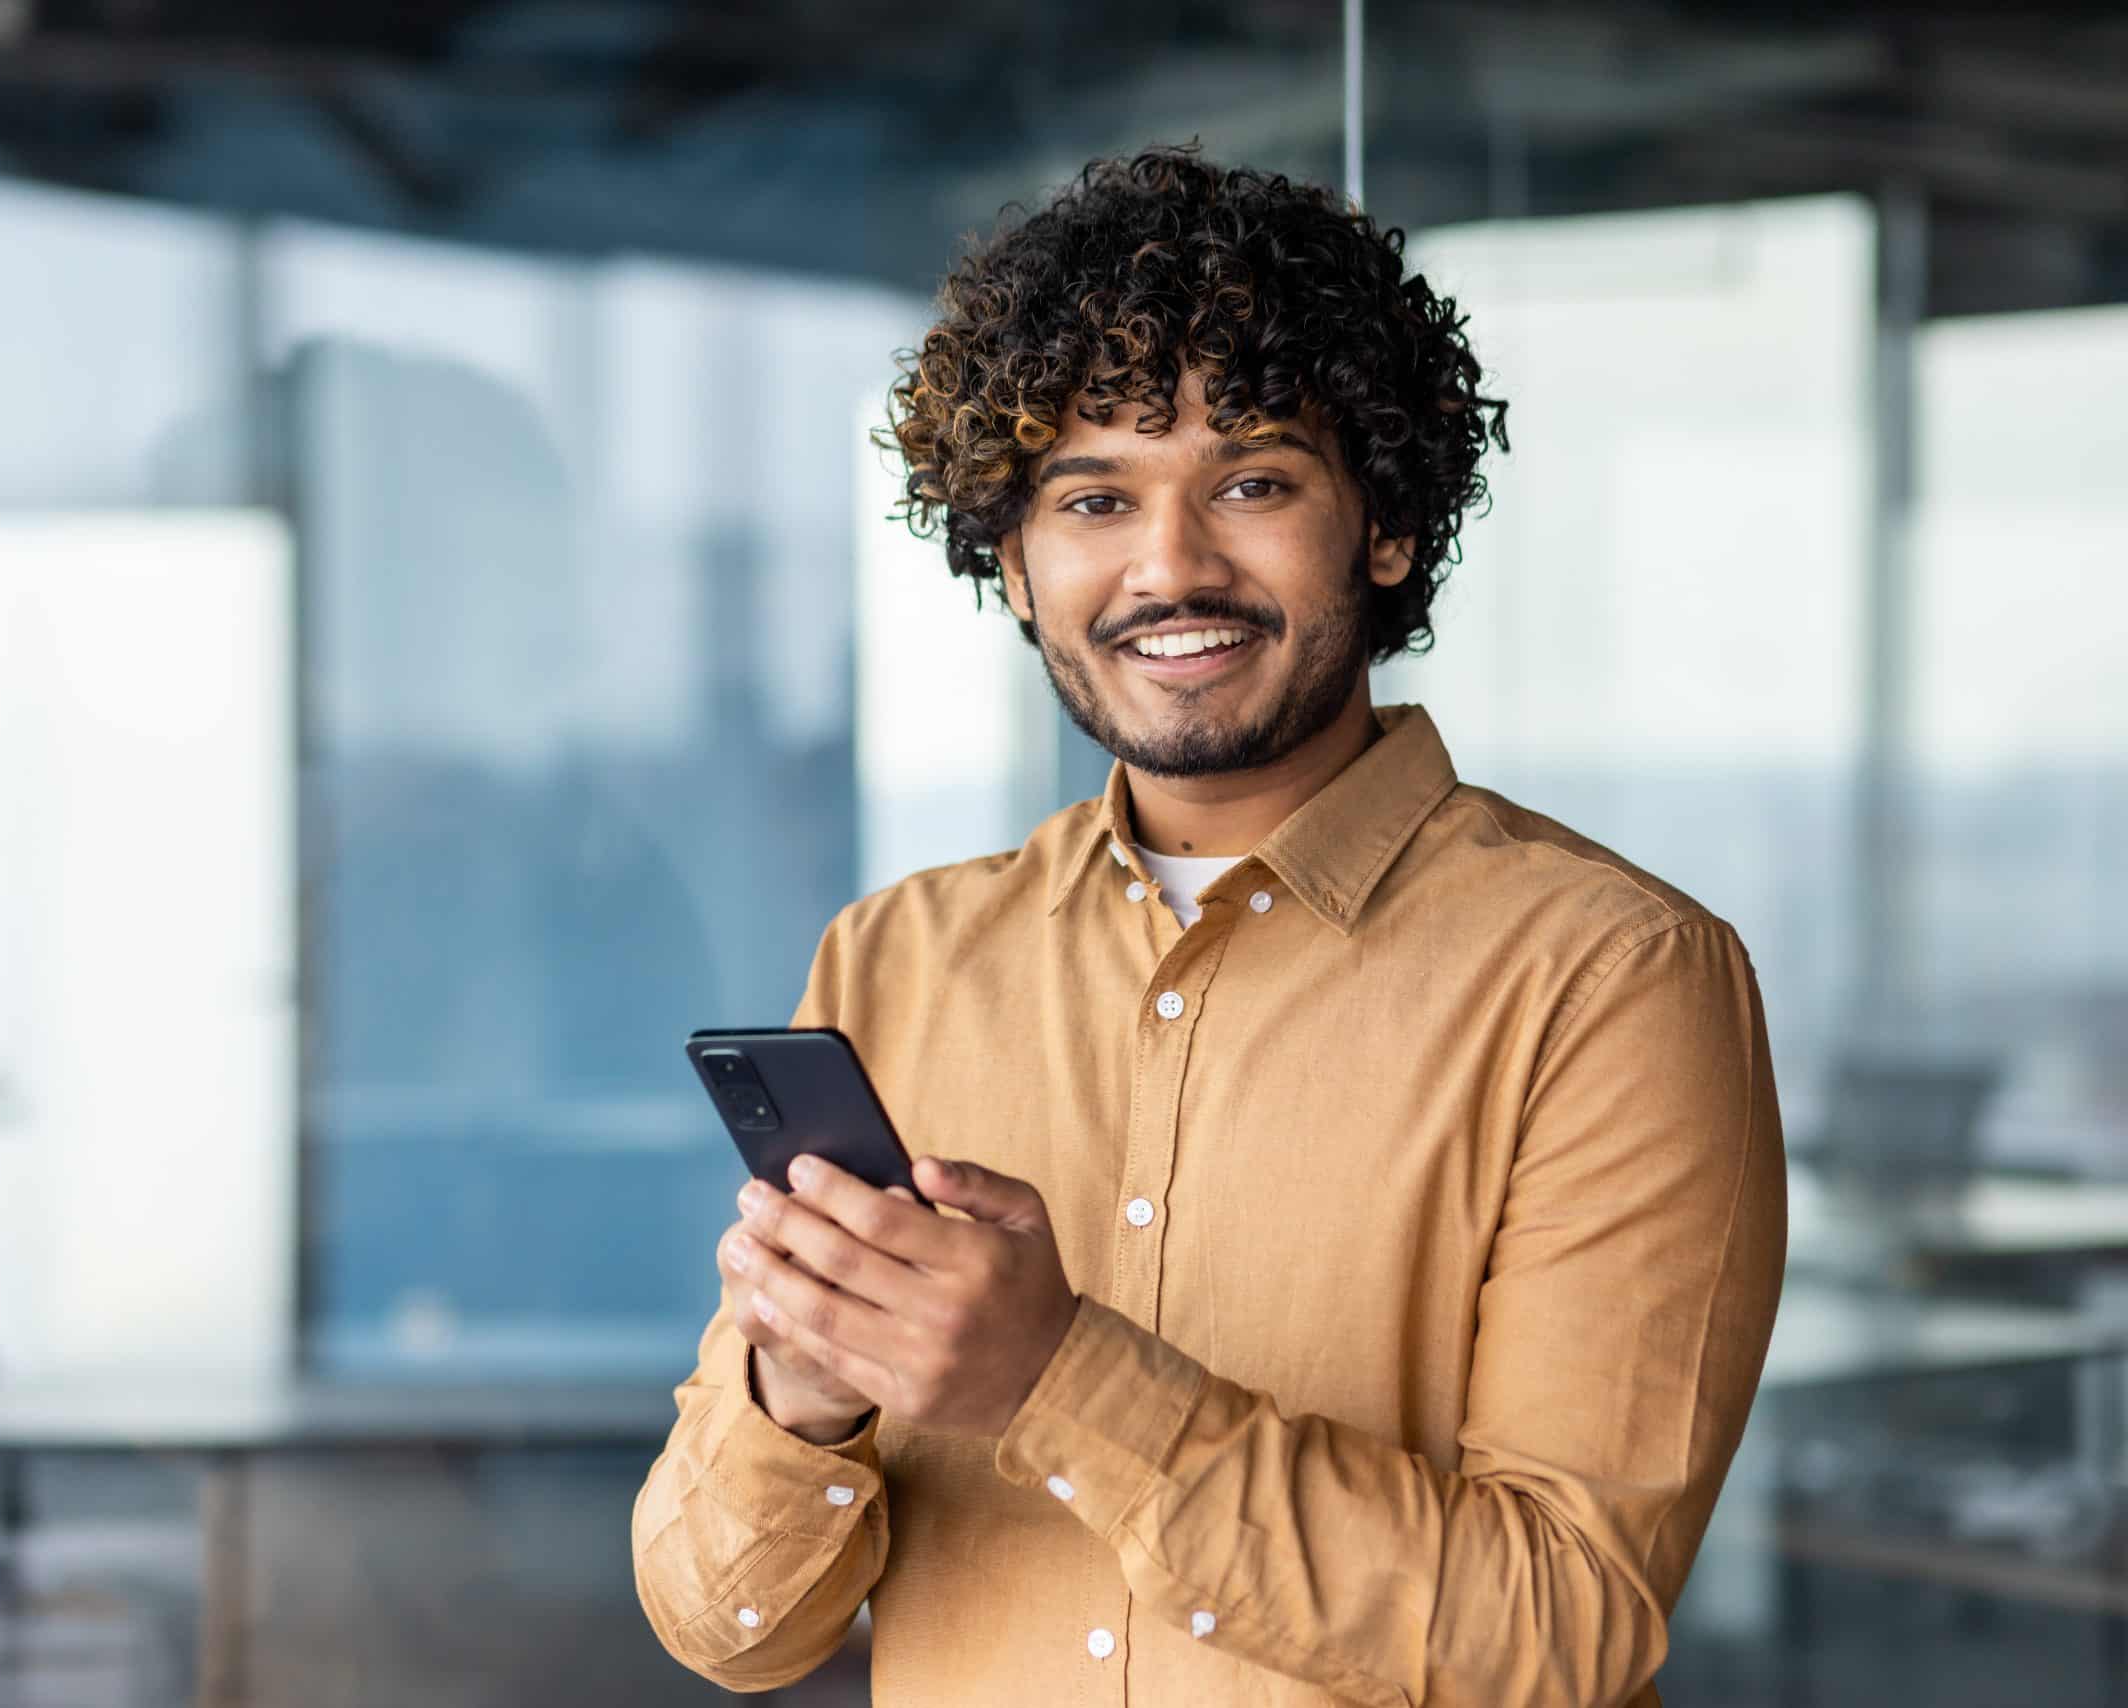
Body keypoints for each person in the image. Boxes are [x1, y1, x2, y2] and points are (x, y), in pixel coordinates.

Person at [630, 145, 1786, 1708]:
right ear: (1018, 567)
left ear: (1382, 526)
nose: (1169, 566)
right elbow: (729, 1631)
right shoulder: (894, 960)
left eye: (1251, 482)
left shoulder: (1613, 977)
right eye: (1093, 499)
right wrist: (804, 1394)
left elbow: (1563, 1629)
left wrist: (1056, 1379)